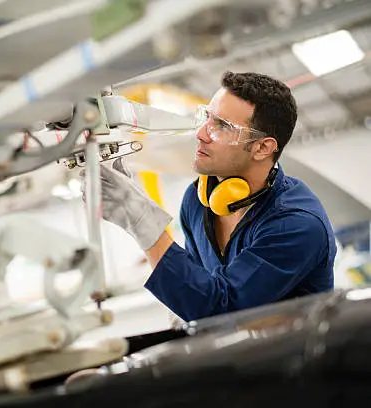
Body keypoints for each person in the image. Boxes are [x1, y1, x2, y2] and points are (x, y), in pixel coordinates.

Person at [82, 71, 336, 321]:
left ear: (262, 147)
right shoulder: (197, 199)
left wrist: (144, 226)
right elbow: (199, 285)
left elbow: (221, 310)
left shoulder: (297, 225)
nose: (201, 133)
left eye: (223, 126)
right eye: (208, 117)